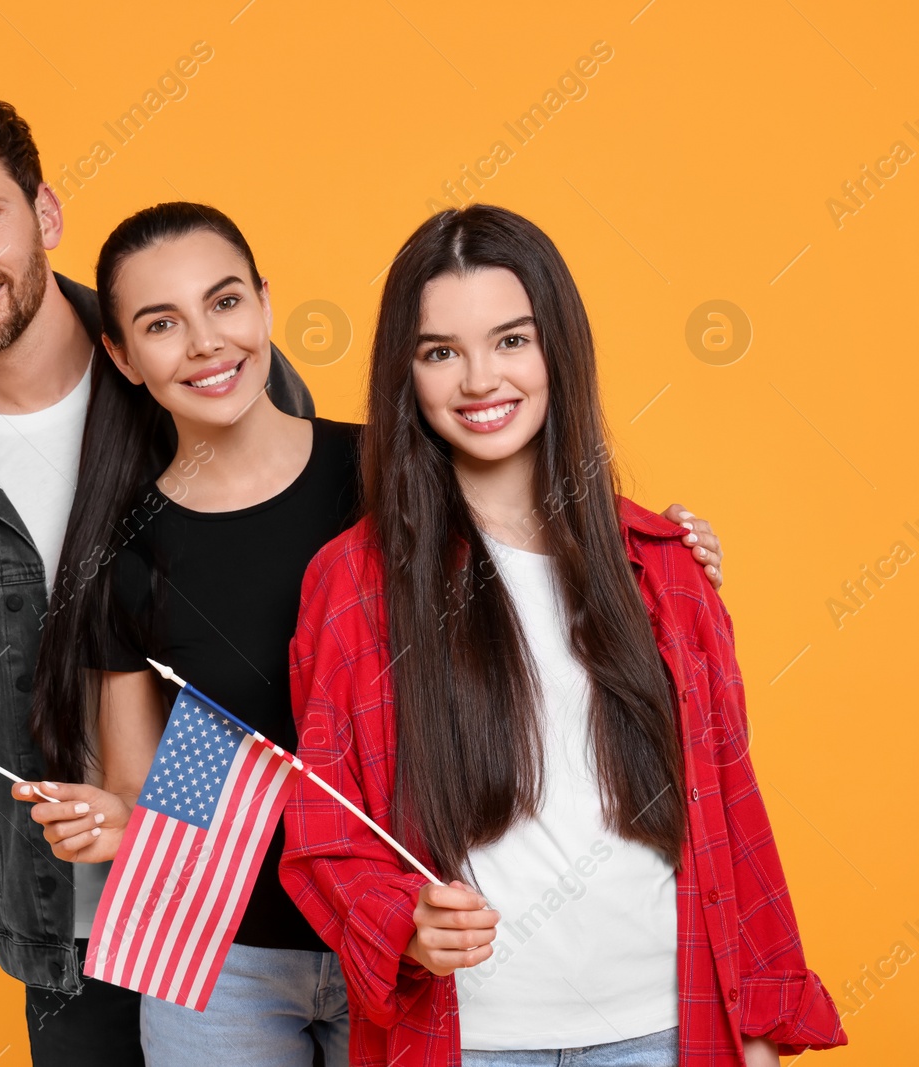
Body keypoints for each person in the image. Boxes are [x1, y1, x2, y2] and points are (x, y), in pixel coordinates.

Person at [15, 202, 727, 1066]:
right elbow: (143, 796)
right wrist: (113, 821)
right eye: (162, 324)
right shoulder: (124, 552)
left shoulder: (395, 477)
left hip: (413, 935)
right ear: (121, 356)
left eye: (225, 302)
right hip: (227, 936)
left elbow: (546, 562)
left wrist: (658, 559)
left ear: (266, 304)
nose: (205, 342)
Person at [279, 204, 847, 1067]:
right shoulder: (352, 584)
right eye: (441, 352)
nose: (479, 380)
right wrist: (404, 924)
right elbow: (328, 826)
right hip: (473, 1040)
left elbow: (730, 811)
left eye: (512, 340)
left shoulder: (662, 564)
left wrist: (758, 1038)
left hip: (666, 1027)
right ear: (406, 373)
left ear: (559, 349)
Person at [0, 85, 315, 1066]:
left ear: (45, 215)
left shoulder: (197, 372)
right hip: (70, 942)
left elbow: (341, 598)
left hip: (251, 902)